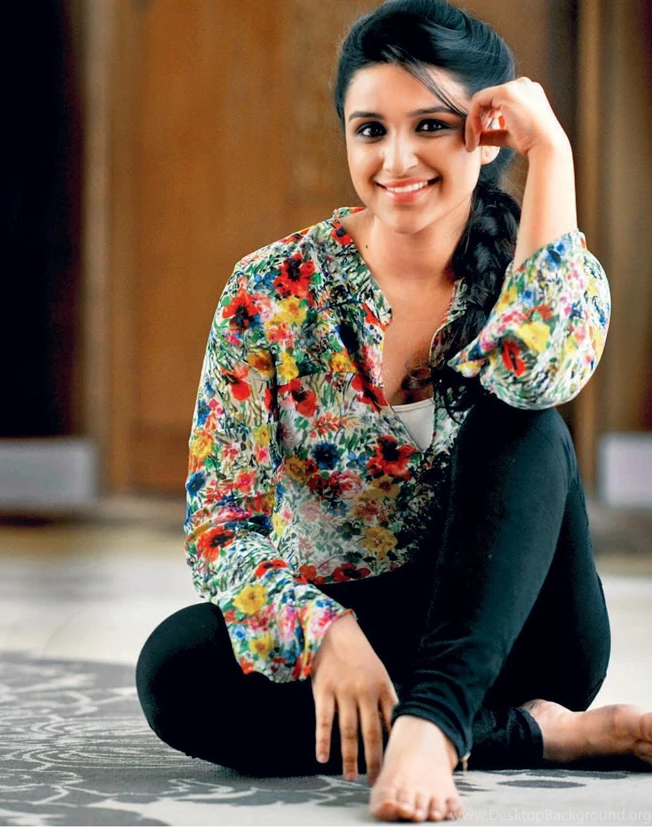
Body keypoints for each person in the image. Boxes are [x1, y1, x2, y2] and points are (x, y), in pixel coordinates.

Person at [135, 0, 652, 822]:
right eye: (371, 129)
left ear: (487, 135)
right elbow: (221, 525)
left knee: (522, 415)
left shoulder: (540, 271)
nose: (397, 158)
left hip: (526, 633)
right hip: (369, 627)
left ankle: (434, 723)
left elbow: (543, 375)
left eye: (432, 127)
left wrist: (551, 152)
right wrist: (324, 633)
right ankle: (531, 733)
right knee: (176, 670)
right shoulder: (270, 291)